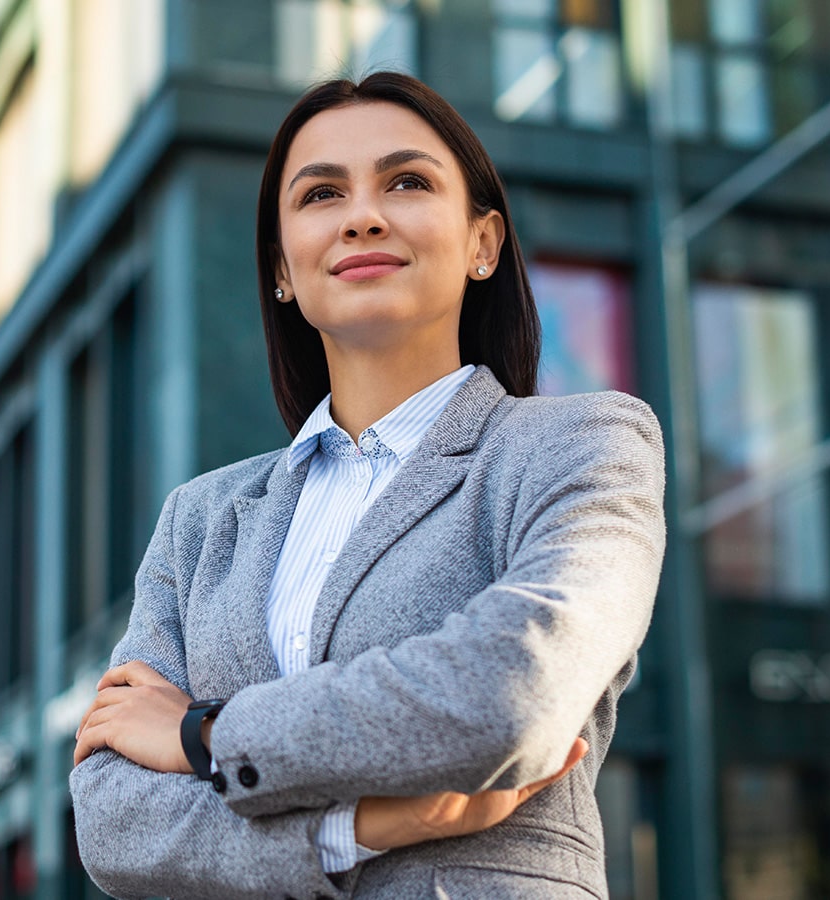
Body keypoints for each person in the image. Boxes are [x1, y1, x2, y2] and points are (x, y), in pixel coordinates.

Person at [68, 71, 665, 899]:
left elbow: (514, 689)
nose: (362, 216)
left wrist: (204, 734)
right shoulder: (201, 520)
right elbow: (113, 820)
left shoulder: (579, 445)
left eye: (408, 182)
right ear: (283, 267)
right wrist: (354, 828)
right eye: (320, 195)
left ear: (484, 243)